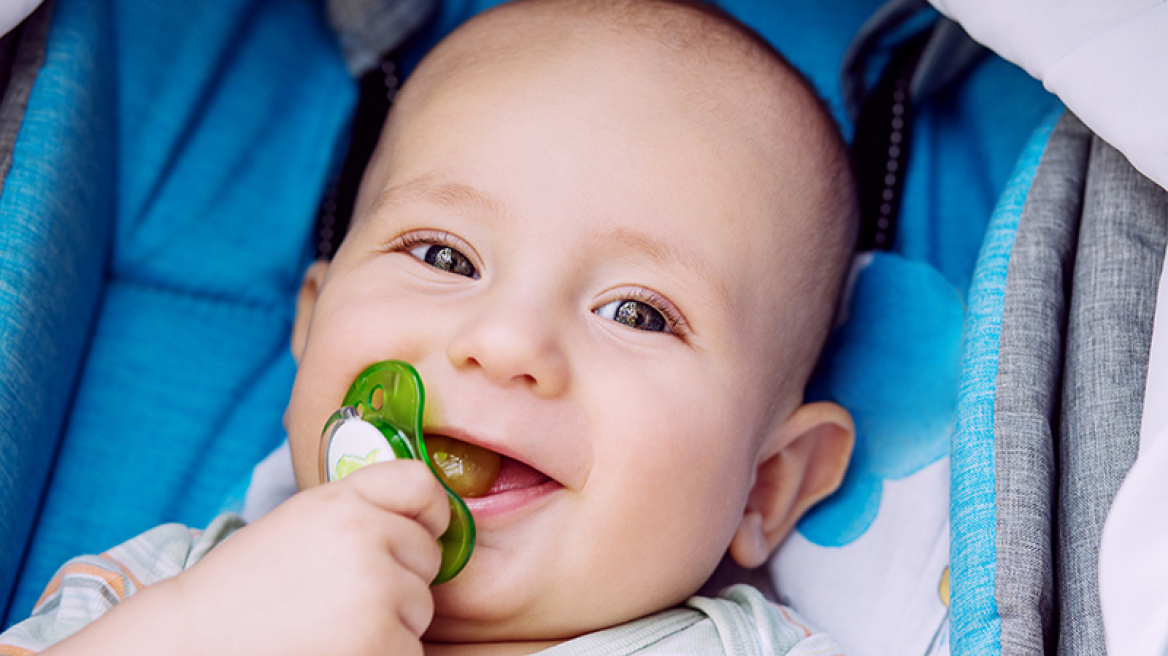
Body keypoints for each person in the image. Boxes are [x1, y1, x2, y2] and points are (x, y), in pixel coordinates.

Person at [0, 0, 859, 653]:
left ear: (767, 484)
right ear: (313, 325)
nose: (507, 342)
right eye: (445, 257)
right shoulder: (165, 592)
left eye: (637, 313)